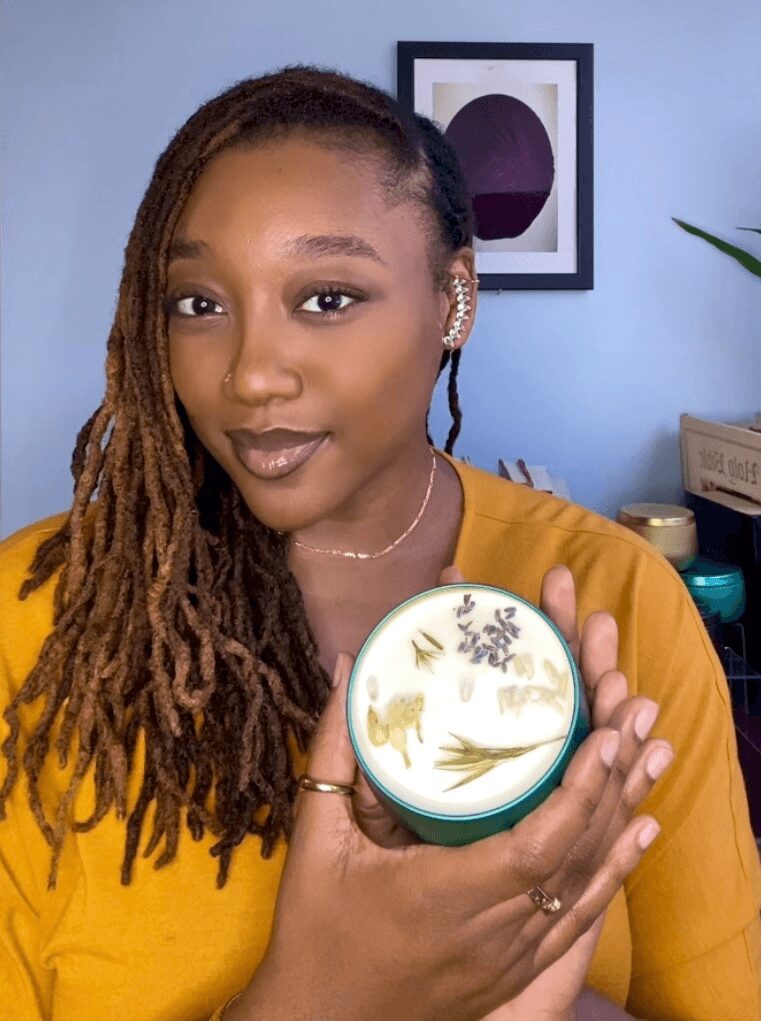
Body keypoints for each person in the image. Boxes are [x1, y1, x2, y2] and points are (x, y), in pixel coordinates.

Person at [0, 63, 757, 1021]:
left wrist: (521, 993)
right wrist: (323, 996)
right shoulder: (32, 621)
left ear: (453, 299)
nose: (251, 374)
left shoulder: (622, 596)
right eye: (198, 302)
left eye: (326, 297)